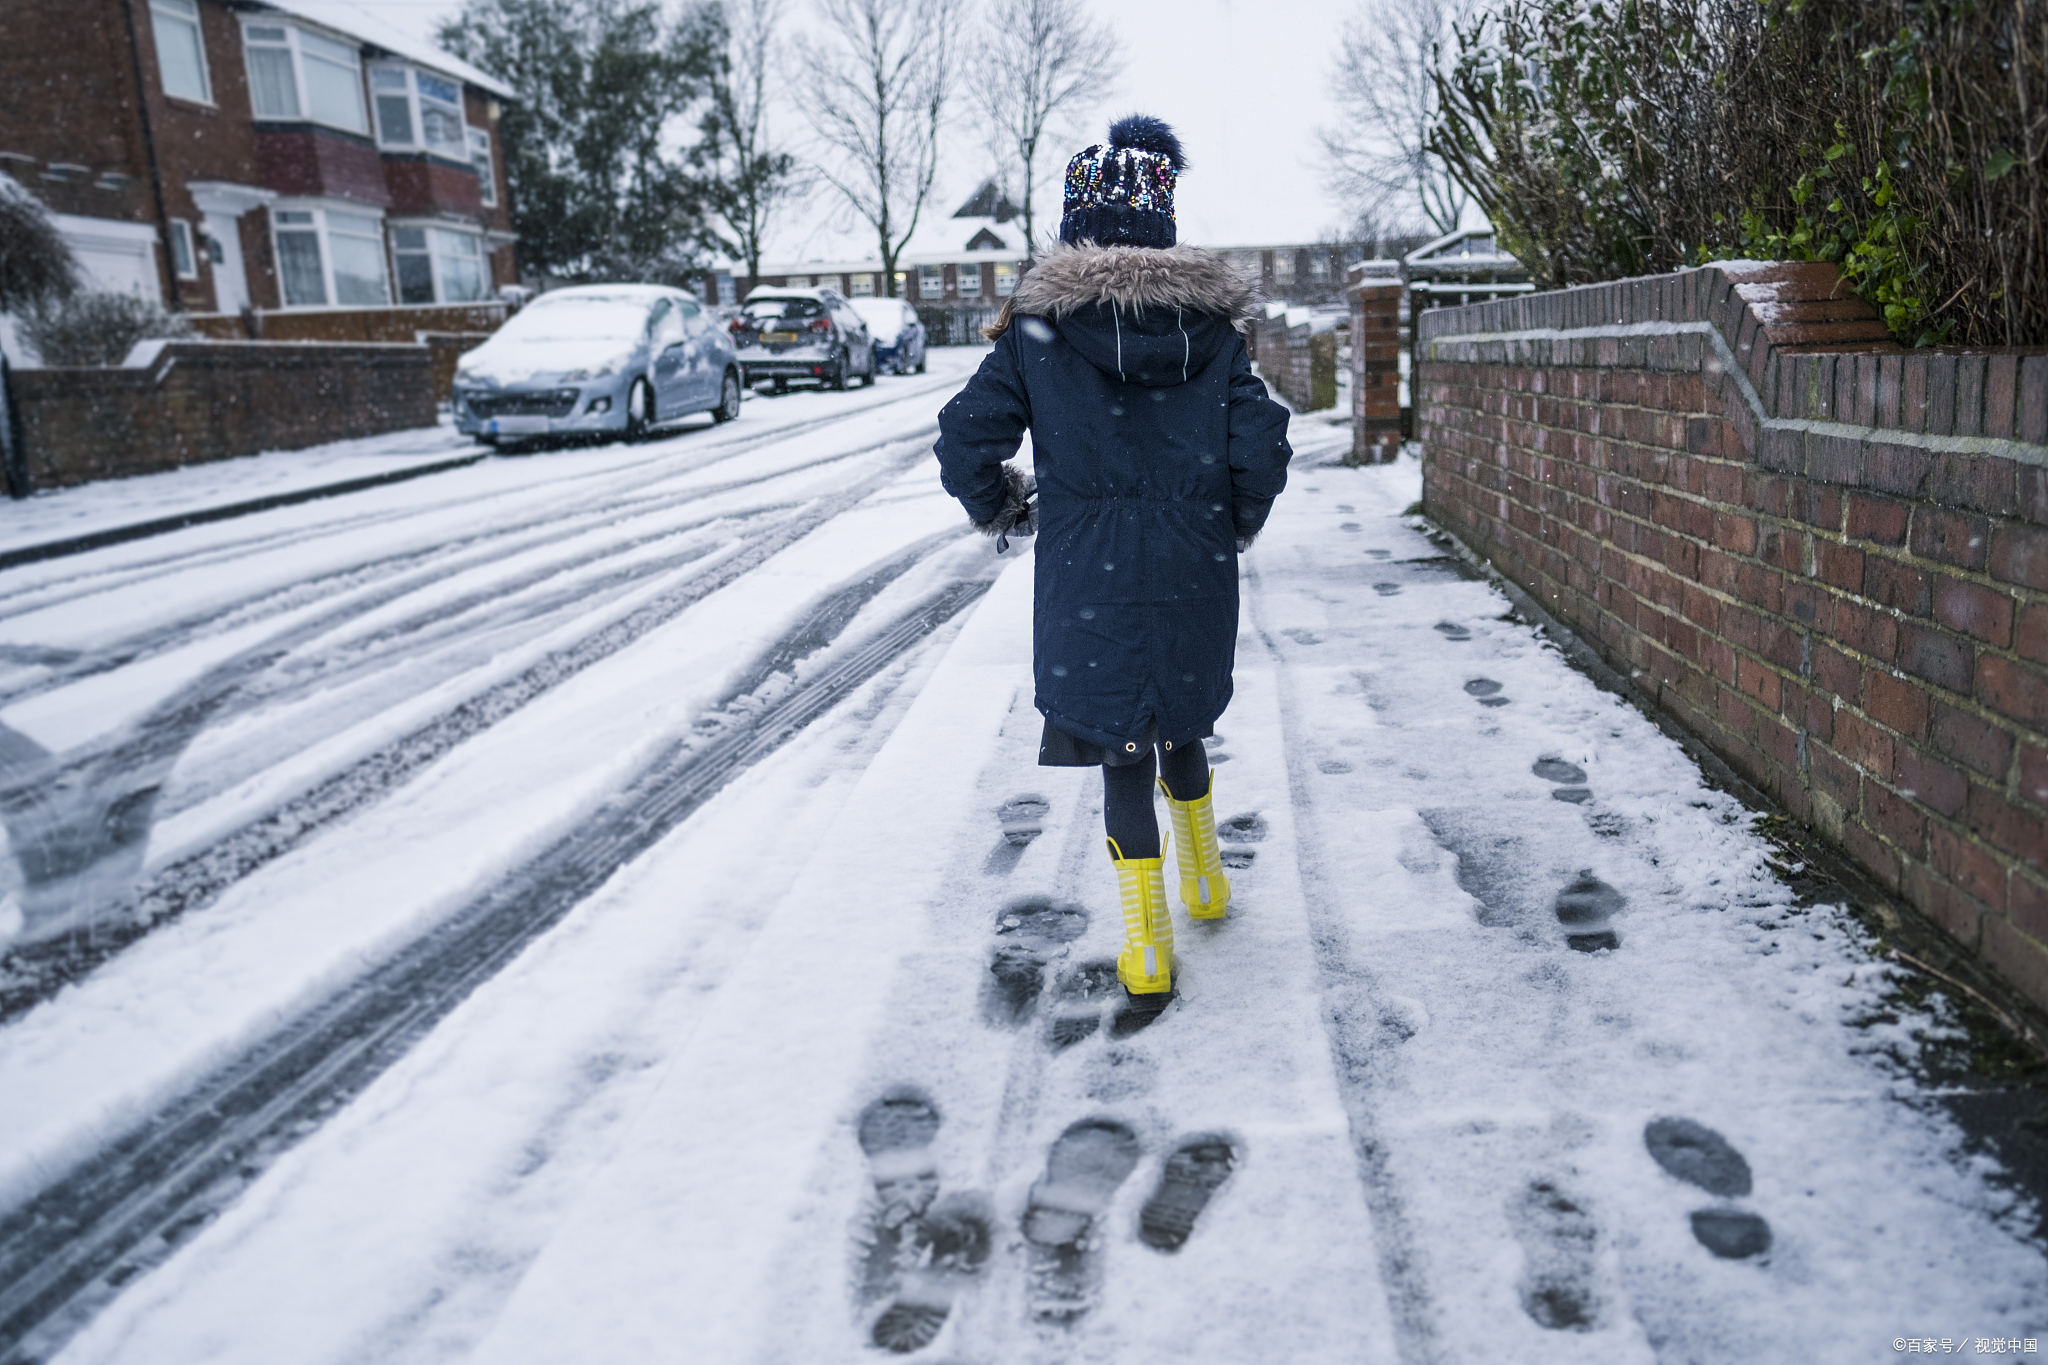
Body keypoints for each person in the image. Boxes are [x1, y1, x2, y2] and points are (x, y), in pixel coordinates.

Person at [934, 115, 1293, 1019]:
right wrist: (1234, 521)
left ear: (1076, 226)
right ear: (1162, 225)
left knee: (1121, 751)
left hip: (1085, 576)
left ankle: (1144, 944)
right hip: (1191, 564)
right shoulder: (1212, 334)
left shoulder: (1037, 331)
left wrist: (1004, 505)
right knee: (1179, 718)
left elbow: (963, 441)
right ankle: (1205, 880)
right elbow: (1264, 442)